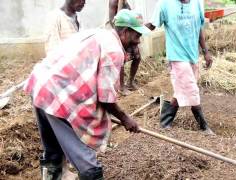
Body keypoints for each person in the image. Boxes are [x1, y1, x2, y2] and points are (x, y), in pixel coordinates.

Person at [24, 9, 150, 179]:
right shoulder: (114, 50)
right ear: (125, 32)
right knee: (90, 168)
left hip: (40, 85)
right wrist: (125, 118)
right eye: (137, 36)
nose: (138, 41)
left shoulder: (97, 34)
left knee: (53, 154)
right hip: (58, 96)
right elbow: (106, 97)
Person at [147, 0, 214, 134]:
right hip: (176, 56)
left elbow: (199, 28)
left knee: (182, 90)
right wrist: (134, 29)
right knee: (191, 90)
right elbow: (152, 25)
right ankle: (204, 127)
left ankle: (165, 121)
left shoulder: (196, 3)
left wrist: (206, 51)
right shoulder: (164, 4)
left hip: (192, 56)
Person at [107, 0, 156, 95]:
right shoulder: (113, 2)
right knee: (120, 60)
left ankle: (130, 82)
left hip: (127, 33)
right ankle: (121, 86)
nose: (139, 41)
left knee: (137, 57)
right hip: (121, 34)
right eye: (138, 37)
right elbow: (113, 22)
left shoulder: (125, 3)